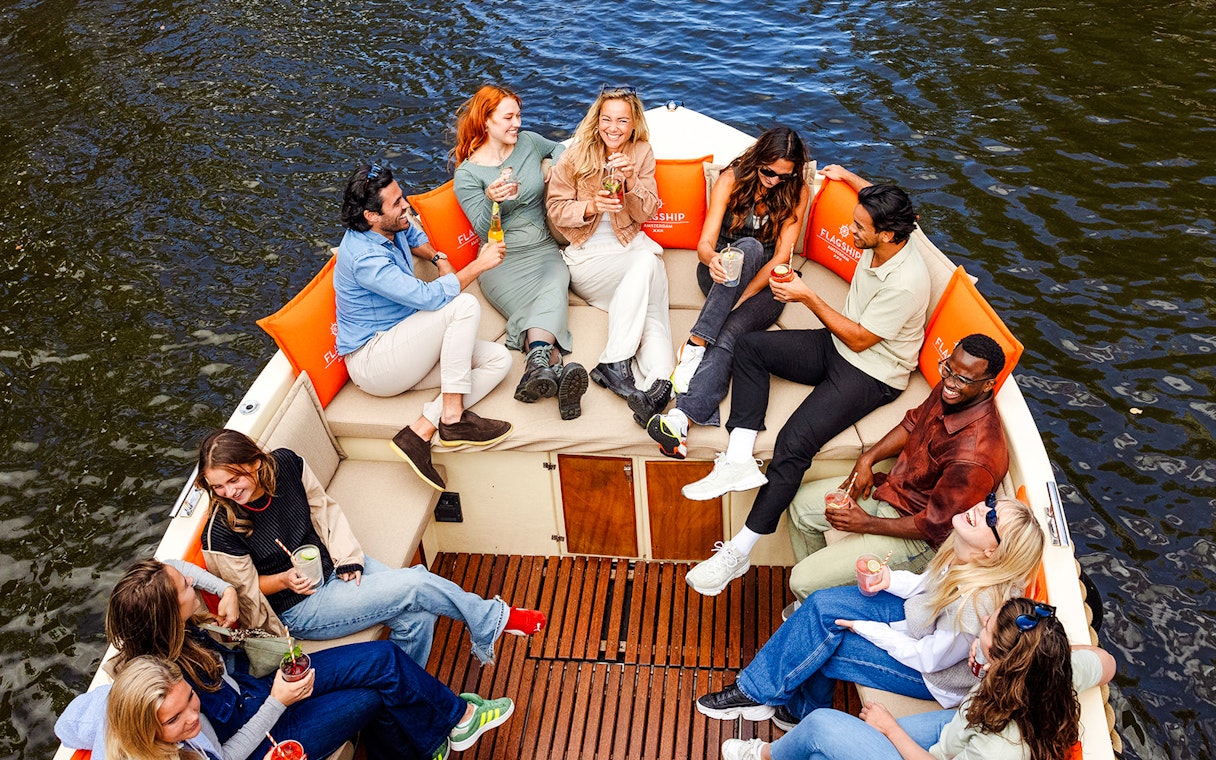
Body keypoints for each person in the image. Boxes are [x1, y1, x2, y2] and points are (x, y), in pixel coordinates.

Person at [679, 167, 931, 597]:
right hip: (840, 344)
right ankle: (738, 459)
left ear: (888, 235)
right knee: (750, 347)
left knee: (794, 443)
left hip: (872, 370)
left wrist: (806, 296)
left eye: (859, 227)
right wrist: (846, 176)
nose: (850, 231)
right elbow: (870, 192)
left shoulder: (906, 283)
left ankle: (738, 552)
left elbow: (860, 338)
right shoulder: (891, 228)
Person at [56, 558, 514, 760]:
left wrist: (225, 588)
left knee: (384, 658)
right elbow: (225, 753)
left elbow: (176, 564)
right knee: (373, 697)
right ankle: (436, 736)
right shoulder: (166, 686)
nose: (193, 585)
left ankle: (455, 722)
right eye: (186, 589)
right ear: (164, 612)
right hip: (263, 733)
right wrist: (279, 700)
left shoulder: (178, 629)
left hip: (265, 689)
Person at [197, 429, 545, 667]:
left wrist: (348, 558)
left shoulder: (286, 464)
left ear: (256, 463)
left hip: (333, 565)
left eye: (234, 479)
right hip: (298, 608)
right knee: (415, 582)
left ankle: (406, 697)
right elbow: (246, 594)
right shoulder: (220, 530)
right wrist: (284, 579)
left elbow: (324, 510)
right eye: (218, 487)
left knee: (418, 617)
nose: (229, 492)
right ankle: (493, 619)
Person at [696, 498, 1044, 732]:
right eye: (992, 502)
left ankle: (772, 700)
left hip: (930, 677)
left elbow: (929, 660)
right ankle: (782, 704)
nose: (983, 508)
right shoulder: (963, 552)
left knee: (832, 646)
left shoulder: (976, 606)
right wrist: (888, 579)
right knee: (821, 604)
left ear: (992, 551)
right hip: (917, 624)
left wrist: (867, 628)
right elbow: (925, 586)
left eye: (992, 518)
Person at [717, 597, 1116, 760]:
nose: (980, 627)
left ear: (1005, 664)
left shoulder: (1001, 748)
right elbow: (1107, 661)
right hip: (960, 724)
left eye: (986, 630)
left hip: (953, 748)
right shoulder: (1052, 675)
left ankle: (764, 755)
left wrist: (890, 728)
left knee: (822, 725)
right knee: (825, 754)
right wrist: (1043, 655)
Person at [785, 334, 1010, 603]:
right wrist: (867, 459)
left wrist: (866, 524)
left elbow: (935, 527)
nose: (949, 382)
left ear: (988, 385)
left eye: (962, 379)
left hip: (919, 539)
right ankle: (823, 595)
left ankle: (818, 598)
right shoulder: (952, 393)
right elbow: (913, 423)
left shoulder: (975, 457)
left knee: (801, 580)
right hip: (894, 491)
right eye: (948, 369)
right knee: (799, 507)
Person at [335, 162, 513, 492]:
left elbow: (414, 233)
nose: (406, 205)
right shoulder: (365, 259)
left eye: (402, 196)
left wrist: (438, 259)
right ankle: (452, 418)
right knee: (463, 305)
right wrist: (479, 264)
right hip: (375, 361)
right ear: (371, 216)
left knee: (498, 360)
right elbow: (429, 298)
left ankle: (420, 431)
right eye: (397, 203)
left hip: (405, 347)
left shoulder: (391, 226)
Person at [647, 126, 811, 457]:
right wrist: (713, 260)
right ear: (759, 159)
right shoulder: (731, 179)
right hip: (721, 273)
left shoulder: (797, 191)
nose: (775, 181)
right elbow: (705, 245)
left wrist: (743, 299)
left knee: (733, 333)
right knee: (748, 247)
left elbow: (781, 257)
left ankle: (680, 419)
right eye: (769, 172)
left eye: (784, 176)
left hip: (765, 284)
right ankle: (697, 344)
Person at [452, 84, 589, 420]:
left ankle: (538, 367)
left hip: (543, 248)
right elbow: (482, 230)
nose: (517, 123)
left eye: (518, 115)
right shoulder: (468, 174)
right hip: (501, 258)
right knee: (543, 303)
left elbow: (561, 148)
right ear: (486, 121)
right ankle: (552, 367)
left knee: (556, 282)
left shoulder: (528, 142)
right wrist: (492, 201)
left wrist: (553, 166)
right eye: (508, 117)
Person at [546, 85, 673, 425]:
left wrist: (631, 181)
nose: (613, 128)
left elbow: (646, 212)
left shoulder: (641, 152)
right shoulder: (575, 154)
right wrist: (591, 206)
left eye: (622, 121)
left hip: (630, 248)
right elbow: (555, 209)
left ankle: (657, 389)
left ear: (633, 124)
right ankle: (614, 360)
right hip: (588, 257)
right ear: (597, 120)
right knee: (649, 264)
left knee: (652, 314)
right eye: (606, 119)